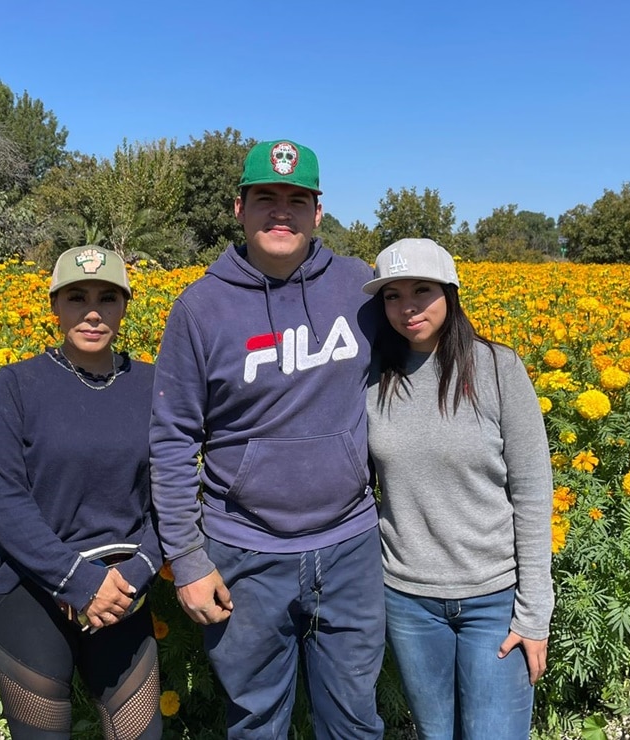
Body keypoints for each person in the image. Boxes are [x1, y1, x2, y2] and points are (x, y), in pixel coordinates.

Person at [149, 139, 385, 738]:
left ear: (317, 212)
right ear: (240, 208)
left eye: (295, 200)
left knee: (355, 722)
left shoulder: (362, 291)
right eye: (266, 199)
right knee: (255, 722)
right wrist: (187, 556)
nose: (281, 212)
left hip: (351, 546)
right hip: (243, 554)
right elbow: (173, 438)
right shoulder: (199, 309)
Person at [362, 238, 554, 740]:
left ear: (450, 292)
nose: (408, 307)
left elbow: (533, 495)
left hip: (494, 598)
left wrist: (534, 614)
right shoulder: (371, 379)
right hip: (408, 599)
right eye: (392, 295)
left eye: (422, 290)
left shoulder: (499, 369)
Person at [0, 245, 162, 740]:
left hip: (122, 591)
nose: (93, 312)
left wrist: (137, 572)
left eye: (108, 297)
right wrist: (78, 583)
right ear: (54, 306)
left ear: (125, 306)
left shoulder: (151, 384)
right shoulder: (16, 386)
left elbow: (172, 493)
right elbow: (4, 503)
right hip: (29, 590)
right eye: (77, 297)